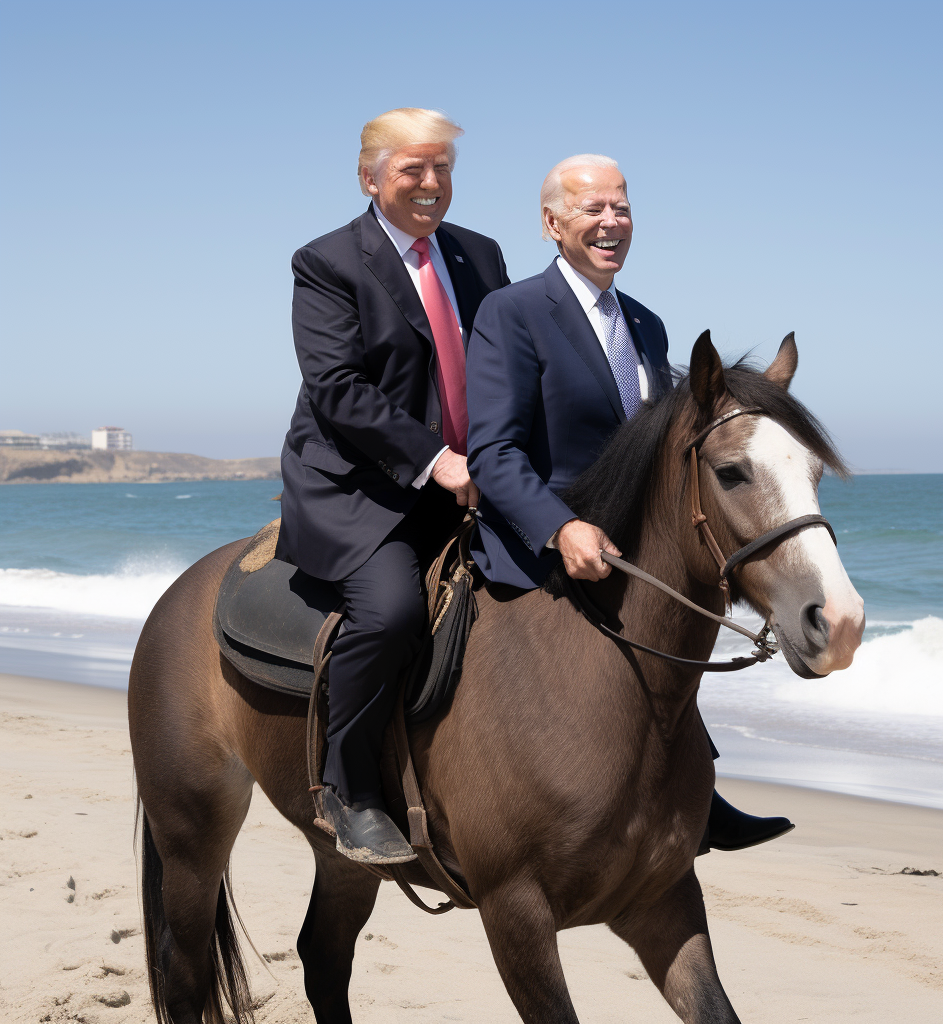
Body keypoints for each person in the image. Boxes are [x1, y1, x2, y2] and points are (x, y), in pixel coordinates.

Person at [465, 154, 792, 851]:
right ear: (553, 223)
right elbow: (494, 452)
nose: (611, 222)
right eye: (592, 209)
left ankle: (693, 783)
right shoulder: (512, 312)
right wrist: (559, 529)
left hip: (627, 546)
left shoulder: (646, 323)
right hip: (540, 539)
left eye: (622, 207)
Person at [276, 108, 510, 864]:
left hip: (472, 478)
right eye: (413, 169)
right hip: (358, 485)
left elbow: (509, 365)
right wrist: (437, 459)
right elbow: (338, 389)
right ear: (369, 175)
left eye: (442, 169)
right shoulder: (326, 262)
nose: (431, 184)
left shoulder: (480, 255)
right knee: (390, 613)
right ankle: (346, 788)